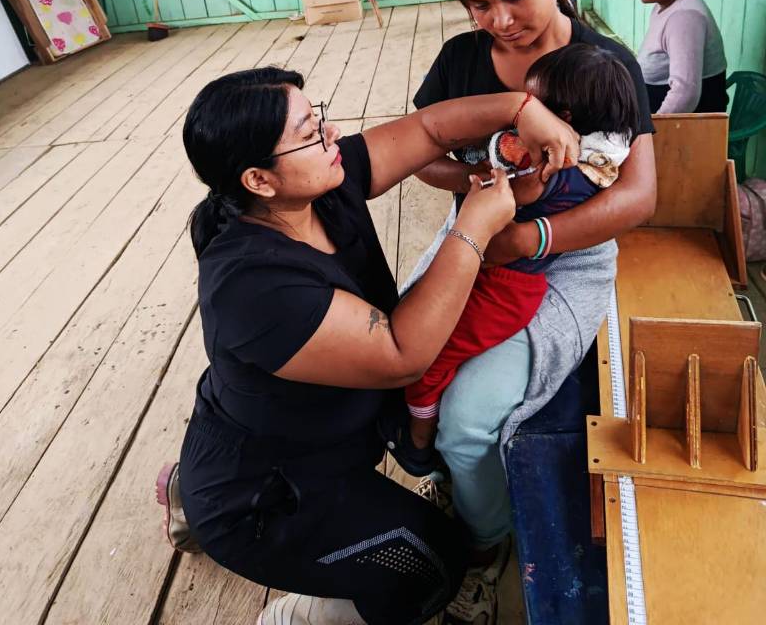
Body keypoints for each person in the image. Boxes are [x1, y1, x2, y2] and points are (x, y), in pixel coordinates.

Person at [166, 64, 578, 625]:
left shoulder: (312, 193)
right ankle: (291, 614)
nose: (332, 136)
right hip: (265, 495)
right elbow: (402, 353)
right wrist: (474, 229)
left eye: (319, 118)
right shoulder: (252, 285)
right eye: (309, 134)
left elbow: (432, 130)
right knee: (434, 566)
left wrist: (522, 111)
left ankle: (186, 492)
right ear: (258, 180)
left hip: (291, 436)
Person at [410, 0, 656, 625]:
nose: (497, 19)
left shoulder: (606, 63)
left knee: (464, 420)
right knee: (399, 345)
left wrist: (535, 236)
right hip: (480, 234)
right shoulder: (463, 59)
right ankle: (464, 483)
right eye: (478, 4)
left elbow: (639, 196)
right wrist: (487, 190)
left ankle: (484, 552)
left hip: (563, 258)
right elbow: (423, 152)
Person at [402, 44, 638, 465]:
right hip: (501, 275)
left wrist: (508, 132)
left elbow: (505, 173)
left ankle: (418, 445)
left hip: (502, 284)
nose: (523, 114)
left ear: (562, 118)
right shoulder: (597, 155)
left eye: (534, 106)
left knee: (426, 357)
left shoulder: (544, 168)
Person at [635, 0, 727, 114]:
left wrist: (653, 134)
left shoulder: (685, 18)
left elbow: (685, 93)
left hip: (685, 131)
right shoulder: (666, 6)